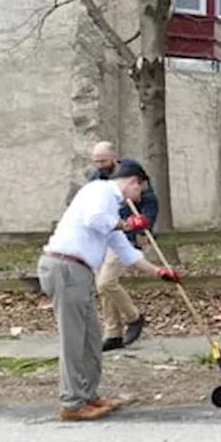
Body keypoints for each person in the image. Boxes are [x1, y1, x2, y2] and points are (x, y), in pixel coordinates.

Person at [38, 163, 180, 421]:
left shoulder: (112, 210)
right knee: (74, 339)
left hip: (80, 272)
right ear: (133, 182)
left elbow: (126, 252)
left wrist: (158, 271)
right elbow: (94, 219)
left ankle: (89, 395)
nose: (141, 197)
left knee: (91, 338)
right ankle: (72, 403)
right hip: (64, 266)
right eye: (141, 190)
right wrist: (127, 224)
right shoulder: (100, 191)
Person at [84, 141, 160, 351]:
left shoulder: (131, 170)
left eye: (103, 161)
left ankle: (134, 317)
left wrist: (143, 229)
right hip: (103, 236)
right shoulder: (95, 179)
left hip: (125, 237)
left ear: (114, 157)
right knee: (102, 284)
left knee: (106, 282)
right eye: (96, 161)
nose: (99, 165)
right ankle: (113, 333)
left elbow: (150, 200)